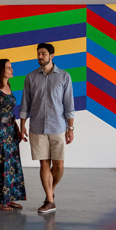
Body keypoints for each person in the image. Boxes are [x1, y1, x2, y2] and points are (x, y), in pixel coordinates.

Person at [19, 43, 75, 214]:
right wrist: (22, 125)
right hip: (37, 127)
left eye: (43, 54)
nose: (40, 57)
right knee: (44, 163)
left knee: (58, 165)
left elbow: (69, 104)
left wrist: (71, 128)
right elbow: (25, 103)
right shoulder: (30, 77)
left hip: (58, 127)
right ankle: (50, 200)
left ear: (52, 56)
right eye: (38, 54)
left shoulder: (64, 77)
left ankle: (51, 190)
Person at [0, 58, 26, 211]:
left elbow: (10, 112)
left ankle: (9, 198)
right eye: (9, 67)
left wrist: (17, 129)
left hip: (10, 130)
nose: (12, 70)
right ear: (2, 70)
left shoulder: (8, 86)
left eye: (11, 67)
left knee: (11, 164)